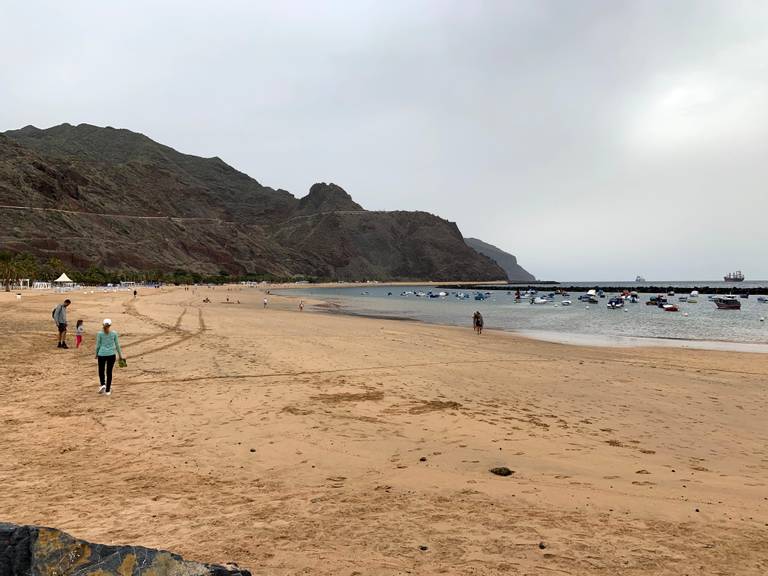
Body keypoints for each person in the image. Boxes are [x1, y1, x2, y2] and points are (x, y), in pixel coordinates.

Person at [95, 318, 124, 396]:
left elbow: (97, 345)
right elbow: (117, 345)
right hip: (111, 355)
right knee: (109, 372)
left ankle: (103, 384)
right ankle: (108, 390)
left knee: (101, 370)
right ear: (110, 325)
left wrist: (96, 354)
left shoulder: (100, 333)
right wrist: (120, 356)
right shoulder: (114, 333)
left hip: (101, 354)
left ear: (103, 325)